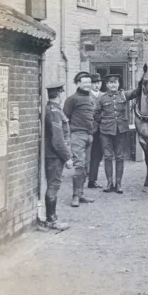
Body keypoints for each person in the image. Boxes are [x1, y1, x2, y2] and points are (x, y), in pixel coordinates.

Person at [94, 74, 138, 194]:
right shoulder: (102, 98)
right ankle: (109, 183)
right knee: (108, 157)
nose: (113, 84)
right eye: (111, 83)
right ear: (107, 85)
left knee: (119, 157)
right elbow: (96, 114)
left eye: (115, 82)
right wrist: (104, 122)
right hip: (106, 131)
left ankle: (118, 184)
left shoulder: (123, 95)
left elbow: (137, 92)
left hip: (121, 130)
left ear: (118, 84)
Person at [42, 82, 73, 231]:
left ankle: (50, 218)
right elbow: (58, 139)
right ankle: (51, 220)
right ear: (59, 95)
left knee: (53, 185)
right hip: (54, 156)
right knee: (54, 185)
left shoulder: (52, 109)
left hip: (53, 155)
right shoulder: (54, 111)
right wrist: (67, 157)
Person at [63, 71, 96, 207]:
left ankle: (81, 194)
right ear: (78, 84)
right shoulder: (72, 99)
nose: (88, 85)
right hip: (77, 136)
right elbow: (65, 119)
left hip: (89, 136)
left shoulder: (92, 98)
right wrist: (67, 138)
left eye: (89, 82)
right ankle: (75, 196)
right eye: (85, 82)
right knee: (79, 165)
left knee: (85, 166)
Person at [87, 73, 104, 189]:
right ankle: (82, 178)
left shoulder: (104, 96)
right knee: (85, 155)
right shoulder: (85, 96)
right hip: (88, 129)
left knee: (97, 155)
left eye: (98, 83)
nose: (96, 85)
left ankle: (92, 180)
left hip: (101, 129)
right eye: (94, 83)